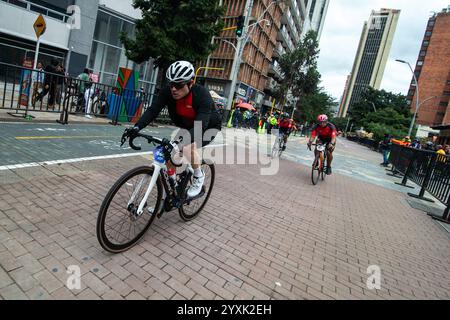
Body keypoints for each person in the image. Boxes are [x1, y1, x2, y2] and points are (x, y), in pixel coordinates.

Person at [123, 61, 222, 198]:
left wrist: (180, 144)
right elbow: (153, 110)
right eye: (171, 84)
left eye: (179, 85)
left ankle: (199, 176)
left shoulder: (202, 95)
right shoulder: (168, 92)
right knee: (168, 155)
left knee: (188, 148)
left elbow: (200, 127)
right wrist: (137, 127)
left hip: (207, 127)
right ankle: (172, 191)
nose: (174, 89)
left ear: (190, 83)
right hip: (188, 126)